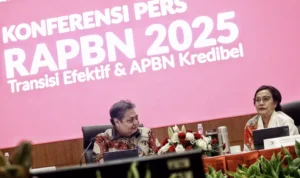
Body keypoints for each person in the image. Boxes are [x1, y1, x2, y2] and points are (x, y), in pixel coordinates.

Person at [92, 100, 161, 163]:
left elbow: (160, 157)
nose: (136, 122)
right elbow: (99, 167)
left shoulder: (147, 133)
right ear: (117, 122)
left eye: (136, 118)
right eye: (130, 120)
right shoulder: (103, 139)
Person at [243, 85, 299, 151]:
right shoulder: (250, 124)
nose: (261, 103)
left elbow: (291, 150)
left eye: (266, 99)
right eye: (257, 100)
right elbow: (247, 153)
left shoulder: (285, 121)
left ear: (275, 103)